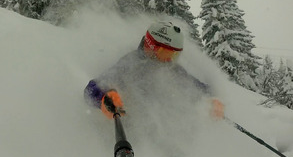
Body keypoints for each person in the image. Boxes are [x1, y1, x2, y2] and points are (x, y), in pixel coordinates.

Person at [84, 21, 224, 119]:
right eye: (166, 53)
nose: (169, 60)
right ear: (151, 46)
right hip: (130, 127)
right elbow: (91, 89)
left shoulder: (172, 70)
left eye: (174, 55)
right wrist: (103, 98)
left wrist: (212, 99)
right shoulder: (130, 64)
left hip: (160, 129)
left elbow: (195, 87)